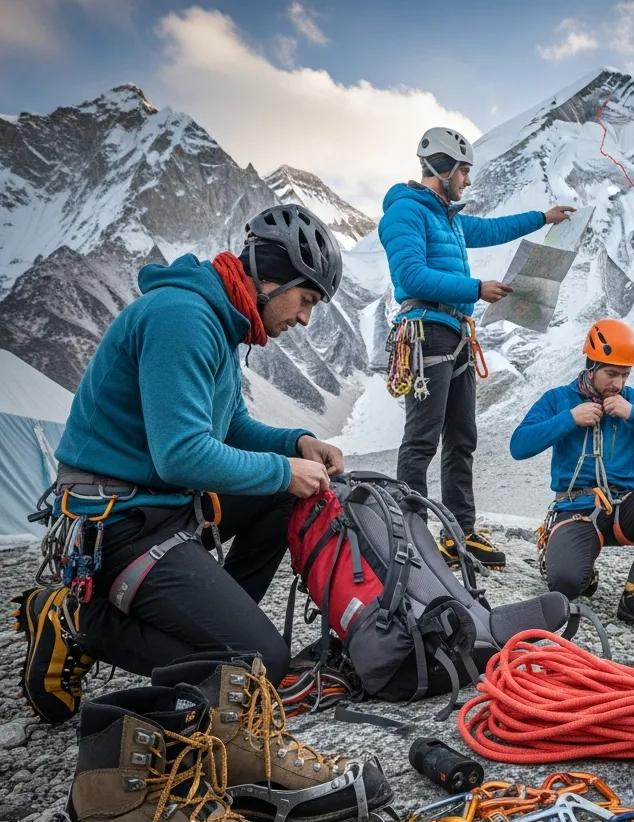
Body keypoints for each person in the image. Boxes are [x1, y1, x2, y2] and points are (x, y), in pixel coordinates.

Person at [36, 204, 344, 692]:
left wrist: (296, 443)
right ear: (269, 281)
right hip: (120, 523)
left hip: (159, 504)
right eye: (305, 299)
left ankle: (218, 620)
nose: (305, 318)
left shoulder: (221, 319)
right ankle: (79, 622)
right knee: (259, 662)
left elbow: (230, 425)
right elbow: (181, 454)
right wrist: (284, 470)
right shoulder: (183, 318)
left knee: (287, 494)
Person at [379, 126, 575, 569]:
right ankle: (409, 534)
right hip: (426, 331)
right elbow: (409, 278)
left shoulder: (446, 217)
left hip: (456, 332)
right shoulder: (405, 213)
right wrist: (474, 287)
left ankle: (458, 532)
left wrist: (542, 218)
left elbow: (490, 230)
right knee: (422, 438)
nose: (467, 180)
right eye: (464, 171)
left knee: (462, 438)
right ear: (441, 167)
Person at [510, 320, 634, 640]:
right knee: (566, 585)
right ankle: (578, 568)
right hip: (575, 510)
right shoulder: (558, 399)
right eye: (611, 373)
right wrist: (569, 418)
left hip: (625, 508)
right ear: (591, 366)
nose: (618, 383)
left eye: (625, 375)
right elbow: (519, 445)